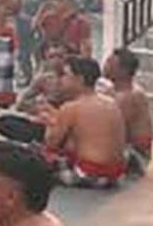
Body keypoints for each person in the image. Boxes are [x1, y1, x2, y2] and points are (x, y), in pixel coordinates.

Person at [45, 57, 128, 188]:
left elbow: (50, 143)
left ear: (80, 80)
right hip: (116, 173)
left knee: (34, 161)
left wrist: (50, 123)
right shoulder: (111, 102)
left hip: (90, 173)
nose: (61, 80)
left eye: (66, 75)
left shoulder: (71, 107)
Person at [103, 49, 153, 176]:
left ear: (123, 71)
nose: (105, 66)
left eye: (110, 63)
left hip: (135, 156)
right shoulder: (112, 89)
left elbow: (109, 130)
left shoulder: (129, 96)